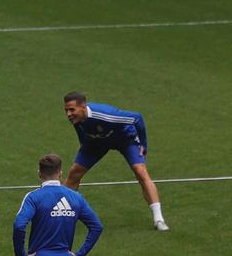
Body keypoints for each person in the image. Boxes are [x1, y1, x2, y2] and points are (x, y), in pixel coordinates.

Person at [63, 93, 166, 231]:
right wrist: (83, 145)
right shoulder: (77, 118)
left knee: (140, 171)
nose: (68, 114)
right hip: (96, 142)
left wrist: (144, 144)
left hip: (124, 139)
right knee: (74, 173)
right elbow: (81, 130)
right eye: (66, 110)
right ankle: (62, 217)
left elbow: (137, 118)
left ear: (83, 107)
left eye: (72, 110)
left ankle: (158, 219)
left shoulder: (106, 115)